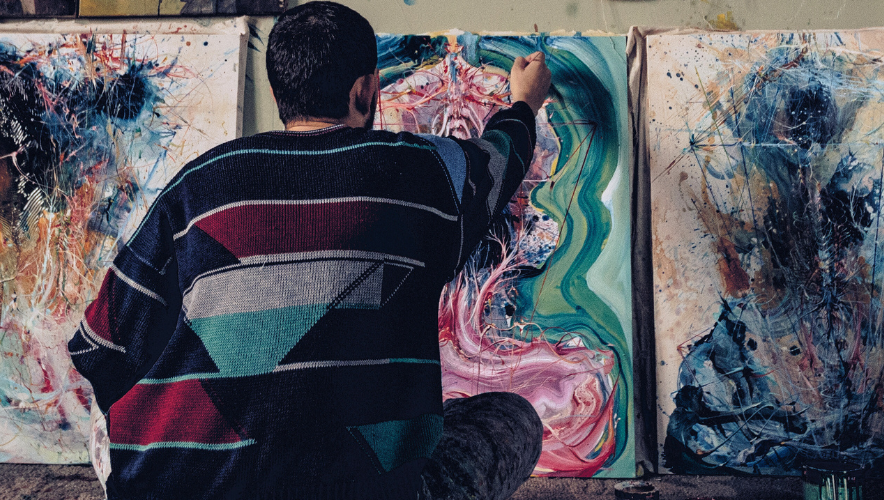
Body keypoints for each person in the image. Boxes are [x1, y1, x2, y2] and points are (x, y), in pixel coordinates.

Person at [65, 2, 551, 498]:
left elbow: (97, 345)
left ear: (278, 94)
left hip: (191, 489)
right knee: (513, 418)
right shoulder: (424, 173)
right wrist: (523, 105)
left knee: (111, 427)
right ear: (367, 90)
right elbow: (499, 161)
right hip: (362, 490)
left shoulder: (197, 186)